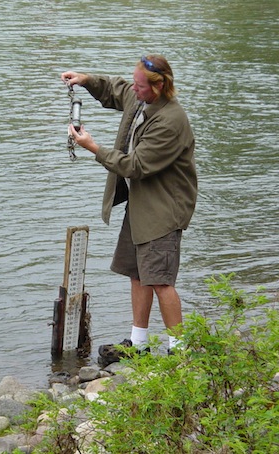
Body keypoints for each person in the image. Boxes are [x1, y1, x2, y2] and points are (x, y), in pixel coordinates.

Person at [61, 54, 197, 365]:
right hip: (141, 206)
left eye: (140, 86)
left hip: (163, 210)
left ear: (159, 86)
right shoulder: (141, 100)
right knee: (137, 274)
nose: (133, 90)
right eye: (134, 83)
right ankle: (139, 343)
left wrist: (93, 148)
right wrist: (86, 79)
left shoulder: (171, 121)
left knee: (161, 280)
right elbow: (116, 89)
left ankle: (181, 352)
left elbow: (136, 166)